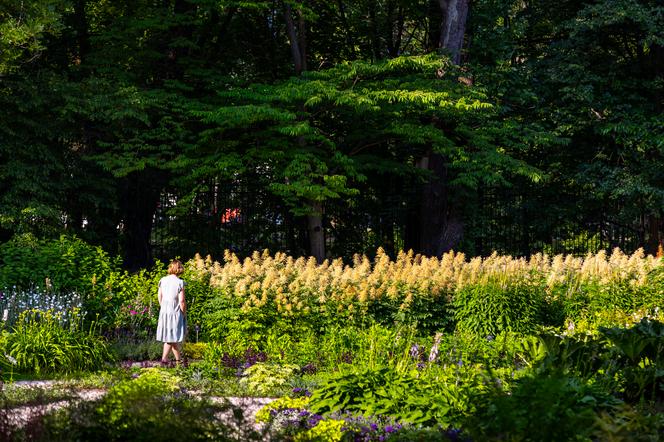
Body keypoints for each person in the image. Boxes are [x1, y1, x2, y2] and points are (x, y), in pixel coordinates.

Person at [156, 259, 187, 365]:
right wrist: (184, 313)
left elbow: (159, 296)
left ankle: (179, 362)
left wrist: (163, 307)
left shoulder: (162, 280)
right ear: (179, 269)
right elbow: (182, 301)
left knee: (171, 337)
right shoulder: (180, 282)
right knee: (171, 337)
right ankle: (164, 360)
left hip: (164, 312)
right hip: (175, 312)